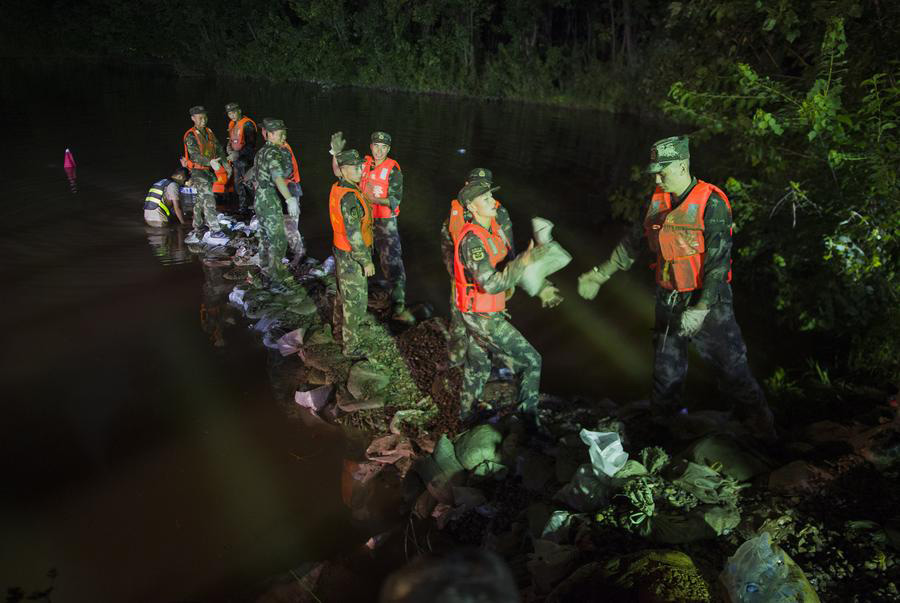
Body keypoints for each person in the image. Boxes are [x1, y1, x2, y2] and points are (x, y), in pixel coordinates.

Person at [577, 135, 776, 438]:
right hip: (669, 297)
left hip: (708, 301)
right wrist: (599, 274)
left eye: (663, 171)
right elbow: (633, 243)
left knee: (731, 367)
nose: (657, 178)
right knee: (665, 369)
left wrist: (701, 309)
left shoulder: (712, 202)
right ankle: (662, 427)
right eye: (654, 172)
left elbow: (718, 264)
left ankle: (760, 421)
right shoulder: (657, 201)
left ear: (683, 166)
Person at [452, 180, 562, 423]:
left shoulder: (492, 230)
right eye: (486, 199)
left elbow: (507, 266)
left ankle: (465, 419)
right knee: (532, 361)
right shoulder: (473, 241)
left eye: (492, 196)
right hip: (484, 319)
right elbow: (491, 284)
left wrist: (539, 283)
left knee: (478, 367)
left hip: (478, 313)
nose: (494, 202)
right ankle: (528, 422)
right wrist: (522, 262)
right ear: (471, 206)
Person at [331, 131, 412, 323]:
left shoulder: (393, 170)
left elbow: (394, 200)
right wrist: (335, 152)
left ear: (389, 149)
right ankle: (359, 296)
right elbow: (338, 171)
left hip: (385, 223)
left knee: (391, 261)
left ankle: (398, 303)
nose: (379, 150)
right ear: (371, 146)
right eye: (376, 146)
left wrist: (372, 199)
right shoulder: (364, 163)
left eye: (383, 147)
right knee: (362, 256)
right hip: (365, 221)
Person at [440, 168, 516, 368]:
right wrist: (457, 275)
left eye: (486, 187)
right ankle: (455, 359)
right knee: (458, 321)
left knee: (492, 323)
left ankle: (489, 365)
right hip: (462, 280)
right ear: (466, 184)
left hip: (491, 279)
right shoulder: (456, 212)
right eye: (473, 183)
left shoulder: (499, 212)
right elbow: (447, 245)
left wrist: (509, 279)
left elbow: (509, 247)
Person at [329, 149, 375, 358]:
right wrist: (366, 261)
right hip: (351, 255)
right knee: (355, 302)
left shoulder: (339, 187)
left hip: (340, 250)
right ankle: (351, 347)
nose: (361, 170)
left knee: (342, 294)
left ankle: (338, 330)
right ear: (344, 170)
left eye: (361, 166)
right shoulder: (349, 198)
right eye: (355, 167)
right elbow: (354, 233)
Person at [253, 118, 299, 288]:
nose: (284, 137)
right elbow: (278, 177)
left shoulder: (261, 152)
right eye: (280, 134)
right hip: (269, 198)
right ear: (270, 135)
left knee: (264, 235)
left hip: (259, 198)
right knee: (278, 239)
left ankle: (264, 270)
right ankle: (276, 278)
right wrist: (289, 199)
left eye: (285, 133)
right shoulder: (273, 152)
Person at [182, 105, 230, 245]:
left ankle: (197, 228)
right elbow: (195, 155)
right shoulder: (190, 135)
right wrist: (209, 161)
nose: (203, 120)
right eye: (200, 117)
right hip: (198, 171)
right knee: (209, 197)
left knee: (200, 200)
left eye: (205, 117)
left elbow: (218, 148)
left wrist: (225, 164)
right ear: (193, 118)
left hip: (209, 170)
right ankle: (215, 231)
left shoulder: (209, 132)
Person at [224, 102, 257, 214]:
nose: (232, 115)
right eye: (229, 113)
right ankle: (243, 209)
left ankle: (256, 206)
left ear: (239, 111)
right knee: (238, 185)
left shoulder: (247, 124)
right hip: (237, 161)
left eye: (234, 112)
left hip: (246, 160)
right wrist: (229, 149)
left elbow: (251, 145)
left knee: (248, 184)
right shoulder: (232, 124)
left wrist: (238, 154)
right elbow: (231, 140)